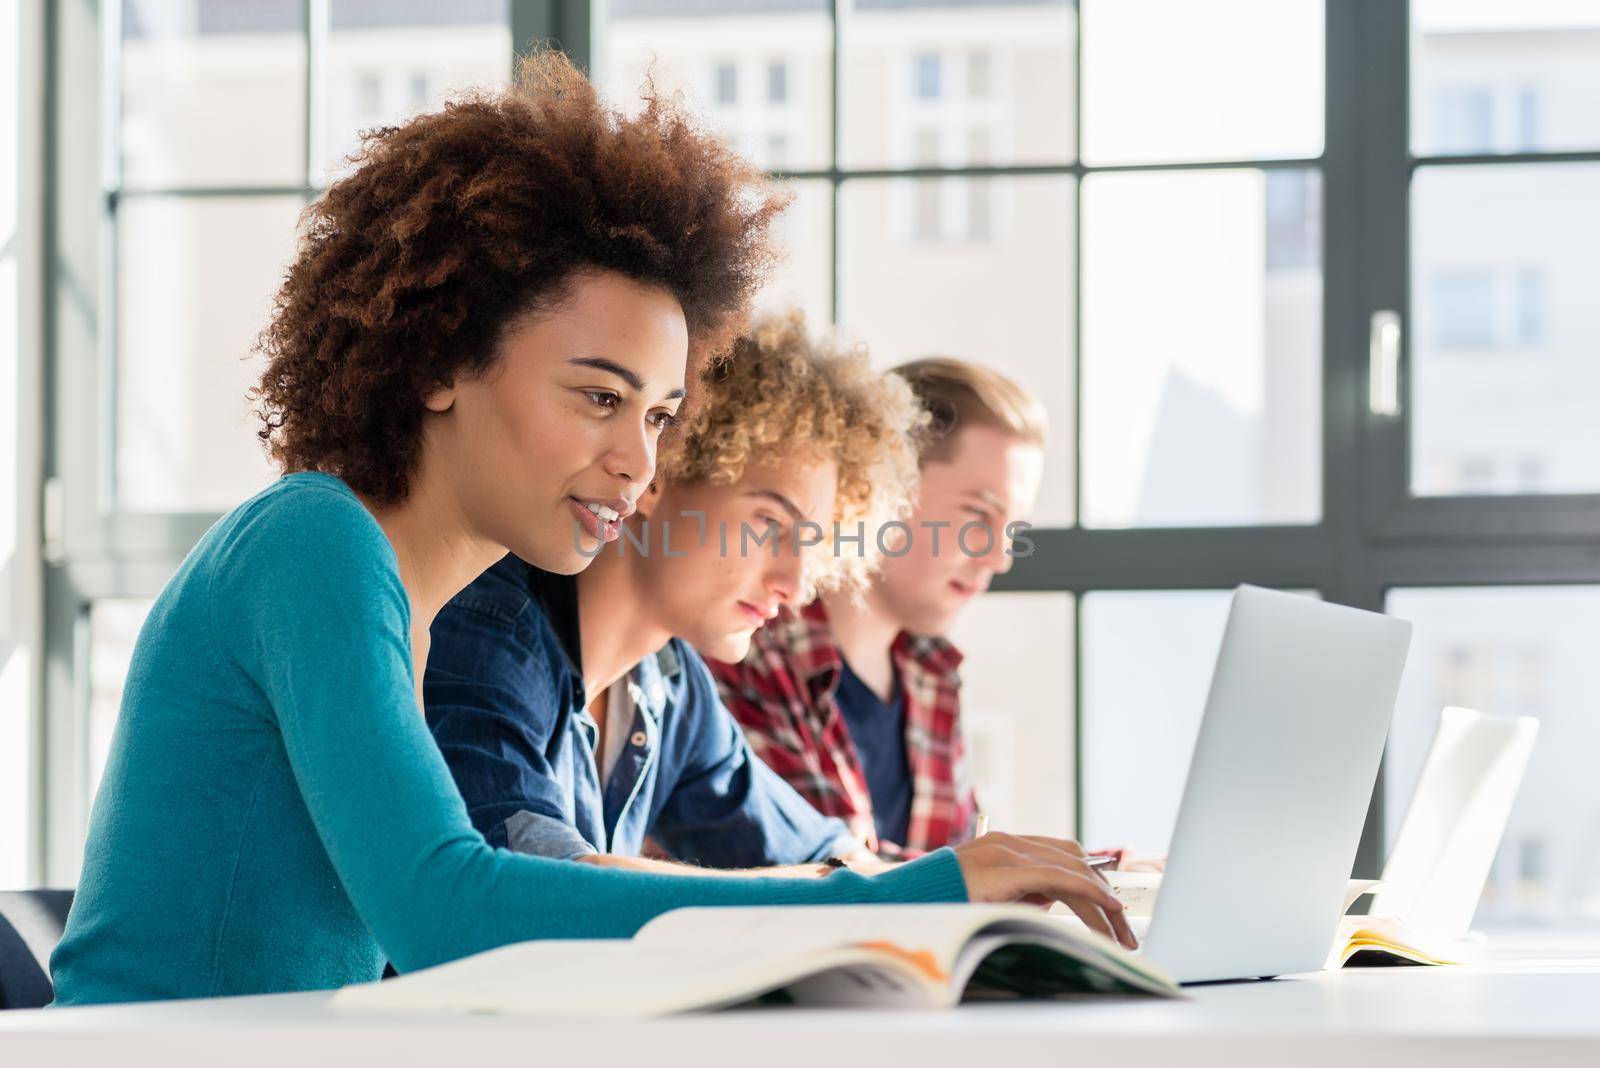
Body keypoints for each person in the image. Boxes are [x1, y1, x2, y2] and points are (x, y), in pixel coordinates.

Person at [49, 55, 1131, 1007]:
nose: (639, 463)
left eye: (659, 416)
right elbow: (446, 912)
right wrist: (916, 898)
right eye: (599, 399)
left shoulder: (407, 596)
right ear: (437, 362)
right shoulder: (314, 546)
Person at [423, 312, 922, 876]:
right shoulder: (484, 632)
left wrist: (957, 882)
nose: (795, 582)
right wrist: (835, 886)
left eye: (811, 541)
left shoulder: (670, 686)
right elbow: (549, 889)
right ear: (658, 474)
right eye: (767, 525)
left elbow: (820, 853)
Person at [711, 358, 1046, 858]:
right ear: (884, 487)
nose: (999, 556)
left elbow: (955, 872)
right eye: (979, 514)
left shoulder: (931, 672)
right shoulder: (744, 648)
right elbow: (799, 874)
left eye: (1013, 528)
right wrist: (994, 874)